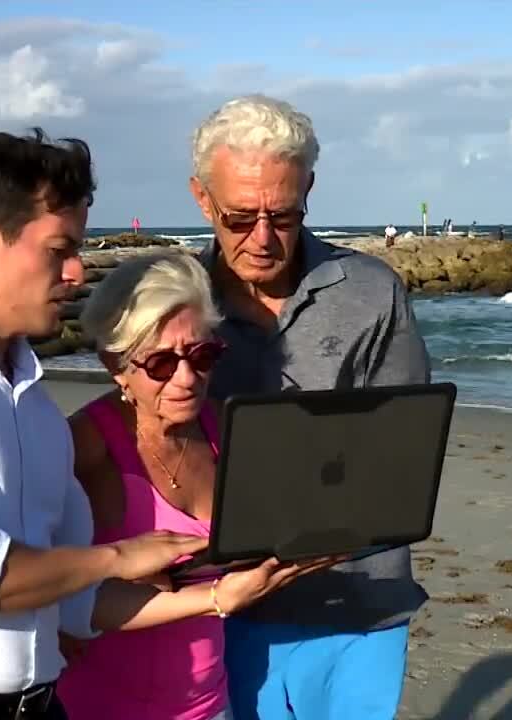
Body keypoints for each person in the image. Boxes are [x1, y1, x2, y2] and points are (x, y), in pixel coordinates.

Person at [0, 130, 317, 720]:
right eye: (59, 250)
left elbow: (76, 603)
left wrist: (217, 597)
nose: (77, 273)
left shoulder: (32, 401)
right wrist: (119, 555)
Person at [188, 94, 432, 720]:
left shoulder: (372, 290)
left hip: (360, 604)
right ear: (201, 198)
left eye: (285, 215)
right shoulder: (174, 301)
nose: (264, 239)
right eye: (239, 219)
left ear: (310, 190)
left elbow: (405, 450)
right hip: (217, 604)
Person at [56, 251, 317, 719]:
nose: (187, 378)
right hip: (103, 707)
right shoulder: (82, 449)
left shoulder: (223, 428)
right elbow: (55, 591)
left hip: (210, 702)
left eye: (202, 355)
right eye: (159, 363)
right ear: (116, 364)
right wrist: (214, 599)